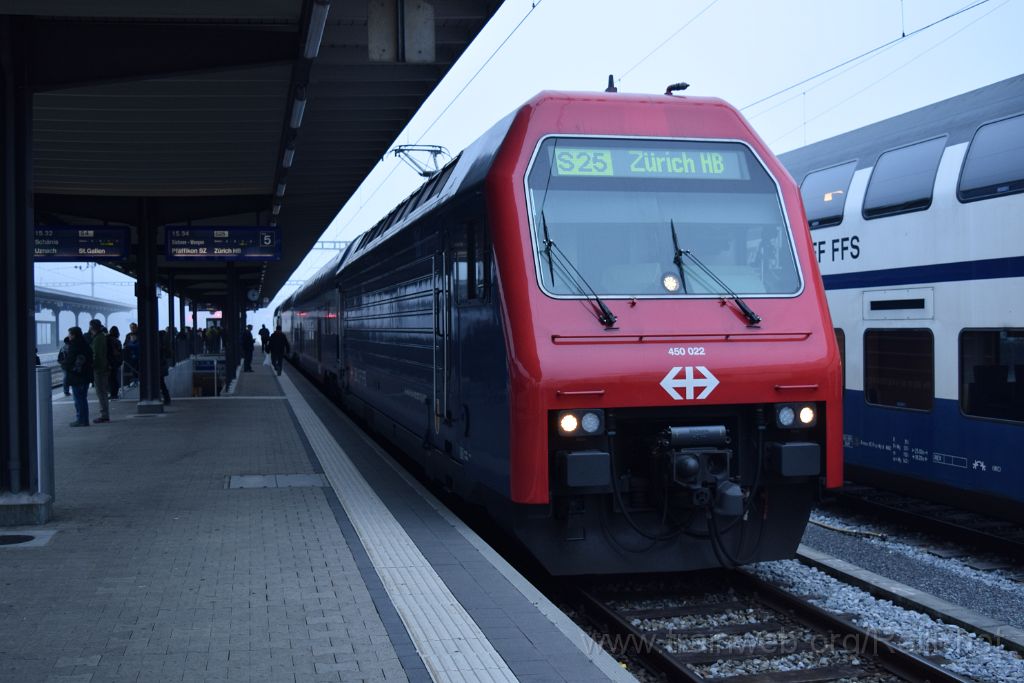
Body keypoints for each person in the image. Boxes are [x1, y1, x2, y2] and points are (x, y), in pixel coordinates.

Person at [61, 326, 92, 427]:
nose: (68, 336)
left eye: (70, 334)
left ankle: (81, 420)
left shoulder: (74, 346)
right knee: (83, 399)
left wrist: (64, 364)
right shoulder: (85, 344)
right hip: (85, 376)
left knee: (78, 399)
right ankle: (84, 420)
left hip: (77, 377)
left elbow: (69, 361)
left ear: (74, 335)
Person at [88, 319, 110, 423]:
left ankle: (104, 415)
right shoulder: (102, 336)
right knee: (103, 392)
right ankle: (105, 414)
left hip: (100, 369)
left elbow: (96, 355)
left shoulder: (98, 339)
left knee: (101, 392)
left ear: (92, 327)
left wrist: (93, 366)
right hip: (103, 367)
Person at [107, 326, 123, 399]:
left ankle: (112, 393)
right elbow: (119, 351)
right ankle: (114, 393)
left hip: (110, 361)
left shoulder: (108, 340)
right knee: (114, 378)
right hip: (116, 361)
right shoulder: (117, 341)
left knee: (111, 379)